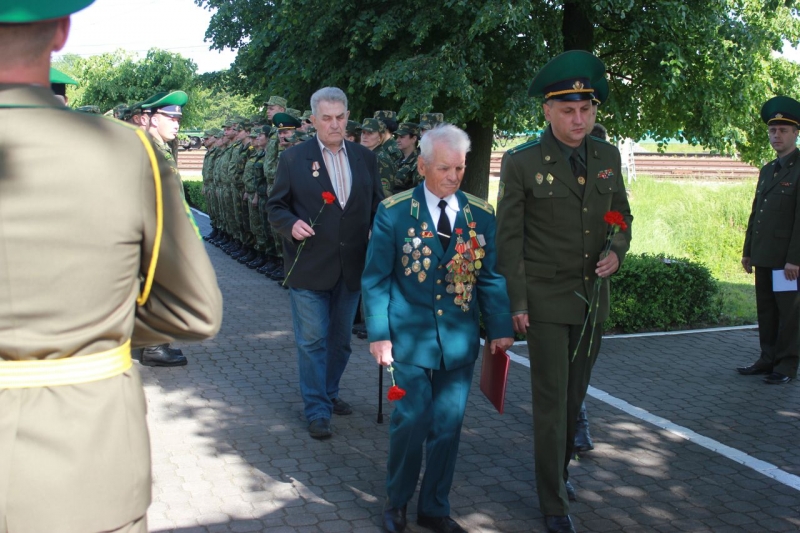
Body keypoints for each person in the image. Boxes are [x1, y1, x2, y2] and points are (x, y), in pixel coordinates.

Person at [0, 2, 223, 532]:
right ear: (61, 30)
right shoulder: (130, 153)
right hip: (88, 470)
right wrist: (98, 321)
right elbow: (195, 313)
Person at [495, 50, 632, 533]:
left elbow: (620, 216)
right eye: (569, 110)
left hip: (592, 300)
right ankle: (553, 503)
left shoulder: (608, 157)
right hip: (546, 303)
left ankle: (560, 471)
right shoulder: (522, 163)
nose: (579, 119)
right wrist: (517, 302)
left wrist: (617, 247)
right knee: (552, 403)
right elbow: (508, 241)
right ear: (548, 111)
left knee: (574, 401)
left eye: (587, 109)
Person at [363, 124, 514, 533]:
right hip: (408, 337)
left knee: (448, 425)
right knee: (411, 420)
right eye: (444, 168)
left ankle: (434, 507)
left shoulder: (479, 214)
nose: (452, 176)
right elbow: (375, 278)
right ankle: (397, 503)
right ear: (423, 165)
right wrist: (378, 333)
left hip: (459, 340)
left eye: (460, 168)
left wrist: (500, 326)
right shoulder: (394, 212)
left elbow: (490, 277)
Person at [267, 87, 384, 439]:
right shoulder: (294, 159)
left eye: (341, 117)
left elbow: (378, 205)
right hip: (309, 266)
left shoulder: (365, 158)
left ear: (348, 117)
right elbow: (275, 206)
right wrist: (291, 225)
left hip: (351, 267)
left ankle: (329, 393)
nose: (335, 125)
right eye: (327, 118)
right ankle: (317, 408)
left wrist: (378, 233)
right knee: (313, 340)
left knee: (341, 342)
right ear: (314, 120)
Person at [737, 96, 800, 385]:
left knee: (789, 313)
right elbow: (756, 214)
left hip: (786, 259)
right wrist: (748, 251)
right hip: (764, 254)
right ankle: (767, 358)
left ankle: (786, 365)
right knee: (766, 310)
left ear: (796, 133)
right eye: (773, 131)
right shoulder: (768, 170)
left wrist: (795, 259)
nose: (777, 135)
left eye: (783, 131)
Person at [361, 117, 397, 198]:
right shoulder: (364, 155)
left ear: (380, 137)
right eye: (363, 132)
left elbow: (385, 194)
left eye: (370, 133)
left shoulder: (381, 159)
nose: (364, 136)